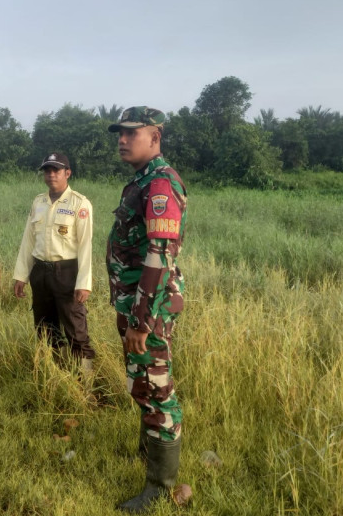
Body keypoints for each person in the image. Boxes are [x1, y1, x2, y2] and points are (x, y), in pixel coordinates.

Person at [106, 107, 188, 512]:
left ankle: (159, 487)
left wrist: (141, 321)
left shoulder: (159, 184)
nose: (122, 140)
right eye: (119, 134)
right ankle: (148, 454)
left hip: (149, 310)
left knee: (157, 390)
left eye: (131, 133)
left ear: (155, 136)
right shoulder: (140, 181)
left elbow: (159, 256)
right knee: (142, 381)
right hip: (136, 304)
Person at [12, 152, 95, 373]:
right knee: (45, 328)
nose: (51, 175)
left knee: (75, 329)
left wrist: (84, 283)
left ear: (67, 173)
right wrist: (21, 275)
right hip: (40, 272)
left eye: (56, 170)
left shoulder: (79, 203)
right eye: (47, 170)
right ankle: (56, 375)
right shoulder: (38, 202)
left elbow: (85, 246)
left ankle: (84, 382)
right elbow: (28, 241)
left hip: (66, 273)